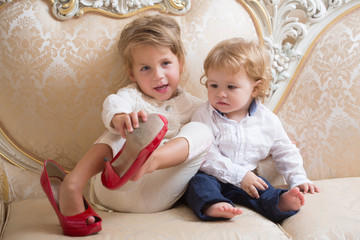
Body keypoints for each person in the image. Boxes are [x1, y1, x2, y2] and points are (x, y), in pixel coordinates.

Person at [41, 14, 212, 236]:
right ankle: (73, 183)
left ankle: (149, 161)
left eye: (165, 64)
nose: (158, 76)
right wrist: (120, 118)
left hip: (157, 195)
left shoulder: (196, 106)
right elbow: (113, 105)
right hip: (112, 188)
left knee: (203, 130)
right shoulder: (130, 97)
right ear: (131, 73)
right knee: (122, 128)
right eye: (145, 68)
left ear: (180, 64)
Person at [184, 38, 319, 223]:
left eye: (231, 87)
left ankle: (281, 204)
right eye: (213, 85)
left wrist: (298, 178)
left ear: (255, 88)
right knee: (198, 185)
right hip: (212, 175)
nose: (220, 93)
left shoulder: (267, 121)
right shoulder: (204, 115)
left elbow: (285, 150)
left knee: (265, 191)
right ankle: (213, 205)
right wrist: (238, 175)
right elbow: (206, 155)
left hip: (248, 180)